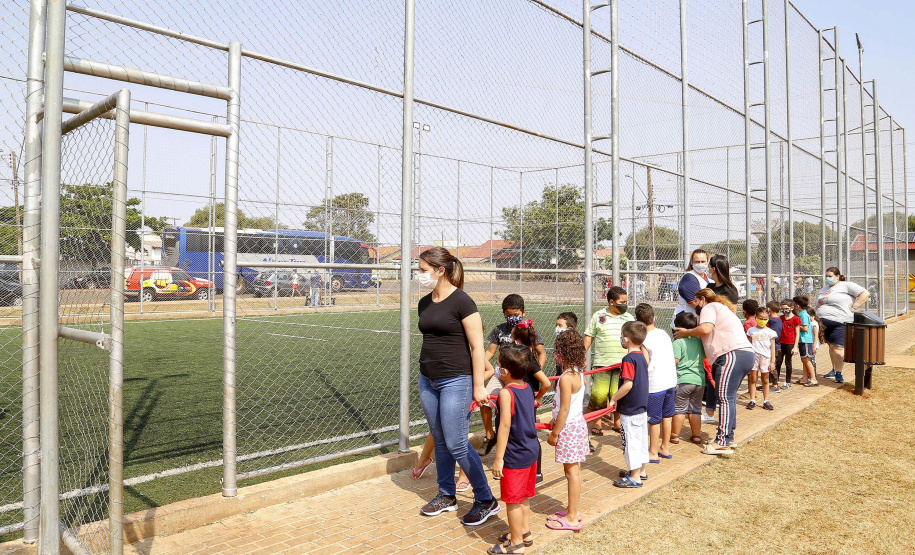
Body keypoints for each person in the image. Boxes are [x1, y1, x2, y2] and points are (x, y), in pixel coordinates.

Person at [415, 247, 498, 526]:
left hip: (456, 380)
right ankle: (446, 495)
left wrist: (478, 386)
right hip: (428, 380)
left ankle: (486, 499)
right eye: (419, 269)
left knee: (457, 442)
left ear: (441, 270)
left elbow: (477, 348)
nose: (420, 275)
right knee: (439, 441)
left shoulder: (463, 302)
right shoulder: (425, 302)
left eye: (424, 270)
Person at [674, 289, 754, 455]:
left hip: (731, 354)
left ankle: (722, 441)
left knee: (724, 398)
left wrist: (686, 333)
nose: (695, 305)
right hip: (743, 354)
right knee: (729, 397)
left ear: (702, 299)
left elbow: (705, 329)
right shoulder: (721, 308)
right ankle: (728, 437)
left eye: (695, 302)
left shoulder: (709, 308)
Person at [480, 295, 548, 455]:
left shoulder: (529, 330)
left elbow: (541, 353)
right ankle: (490, 435)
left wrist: (534, 371)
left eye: (516, 315)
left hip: (520, 377)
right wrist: (484, 366)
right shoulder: (499, 329)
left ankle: (516, 444)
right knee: (485, 400)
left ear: (523, 312)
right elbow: (489, 352)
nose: (512, 319)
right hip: (501, 374)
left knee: (517, 411)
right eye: (508, 316)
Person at [489, 344, 540, 554]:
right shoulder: (527, 387)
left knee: (512, 501)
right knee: (525, 496)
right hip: (530, 450)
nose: (496, 368)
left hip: (515, 454)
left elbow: (504, 426)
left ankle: (517, 543)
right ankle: (525, 532)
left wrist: (498, 458)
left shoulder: (505, 393)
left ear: (506, 372)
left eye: (498, 365)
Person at [545, 330, 589, 532]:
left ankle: (572, 517)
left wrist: (555, 433)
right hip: (577, 426)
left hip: (568, 429)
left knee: (571, 473)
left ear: (561, 353)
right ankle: (572, 509)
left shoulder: (565, 378)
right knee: (574, 472)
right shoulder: (578, 372)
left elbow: (564, 408)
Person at [584, 286, 634, 436]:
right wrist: (580, 357)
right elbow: (589, 336)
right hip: (602, 363)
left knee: (617, 392)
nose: (625, 304)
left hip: (622, 363)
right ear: (611, 302)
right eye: (622, 302)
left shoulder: (629, 318)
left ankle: (617, 422)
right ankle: (597, 422)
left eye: (626, 301)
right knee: (599, 394)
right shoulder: (599, 316)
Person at [609, 321, 650, 487]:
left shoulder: (628, 359)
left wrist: (614, 398)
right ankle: (641, 470)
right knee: (640, 441)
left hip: (629, 408)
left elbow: (628, 384)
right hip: (641, 407)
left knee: (630, 443)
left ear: (626, 339)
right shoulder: (642, 356)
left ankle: (634, 477)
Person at [635, 303, 676, 463]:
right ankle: (664, 447)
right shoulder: (663, 333)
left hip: (655, 384)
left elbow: (645, 362)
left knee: (653, 419)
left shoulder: (644, 340)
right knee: (667, 416)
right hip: (670, 381)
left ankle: (652, 451)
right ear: (654, 318)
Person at [510, 320, 550, 482]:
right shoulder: (522, 356)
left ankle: (537, 471)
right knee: (519, 432)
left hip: (526, 399)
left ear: (517, 340)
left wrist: (538, 397)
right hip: (519, 398)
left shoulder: (528, 358)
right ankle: (524, 468)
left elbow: (546, 383)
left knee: (529, 434)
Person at [816, 267, 869, 384]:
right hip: (822, 322)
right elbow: (818, 304)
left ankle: (839, 373)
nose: (828, 278)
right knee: (831, 346)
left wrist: (855, 306)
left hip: (840, 322)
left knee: (838, 347)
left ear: (838, 276)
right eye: (826, 276)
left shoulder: (846, 285)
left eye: (830, 276)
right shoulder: (824, 289)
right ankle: (834, 369)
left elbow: (865, 293)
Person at [670, 312, 706, 445]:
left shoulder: (678, 343)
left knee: (679, 408)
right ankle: (696, 435)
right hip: (700, 381)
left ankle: (674, 436)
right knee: (695, 409)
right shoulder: (700, 341)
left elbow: (675, 361)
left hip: (683, 380)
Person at [670, 249, 709, 331]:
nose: (701, 264)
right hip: (685, 323)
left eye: (703, 261)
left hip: (698, 322)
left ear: (707, 262)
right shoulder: (689, 278)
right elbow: (697, 304)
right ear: (692, 262)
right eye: (697, 262)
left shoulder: (708, 278)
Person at [746, 307, 777, 411]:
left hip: (765, 357)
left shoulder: (770, 332)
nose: (762, 321)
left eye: (765, 319)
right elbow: (749, 343)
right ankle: (752, 400)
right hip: (753, 356)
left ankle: (766, 400)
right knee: (753, 378)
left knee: (765, 379)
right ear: (756, 317)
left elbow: (772, 347)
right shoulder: (751, 330)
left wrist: (772, 361)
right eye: (760, 318)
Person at [774, 299, 802, 390]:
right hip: (781, 343)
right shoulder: (781, 318)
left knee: (788, 363)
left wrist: (795, 346)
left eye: (786, 308)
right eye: (782, 309)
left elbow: (797, 333)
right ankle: (775, 381)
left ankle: (788, 381)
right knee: (778, 362)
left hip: (790, 343)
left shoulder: (796, 319)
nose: (784, 310)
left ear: (791, 308)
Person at [793, 295, 817, 386]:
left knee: (806, 359)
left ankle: (813, 378)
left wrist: (796, 326)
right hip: (802, 340)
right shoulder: (802, 314)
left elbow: (806, 328)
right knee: (804, 360)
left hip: (805, 340)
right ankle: (805, 378)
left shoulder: (803, 314)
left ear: (797, 305)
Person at [765, 301, 783, 393]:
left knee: (772, 365)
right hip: (777, 345)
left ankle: (775, 385)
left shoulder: (771, 320)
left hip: (774, 346)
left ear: (769, 310)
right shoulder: (779, 319)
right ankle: (768, 383)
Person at [553, 312, 579, 376]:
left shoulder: (574, 345)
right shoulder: (559, 343)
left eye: (560, 325)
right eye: (556, 325)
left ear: (570, 329)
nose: (557, 328)